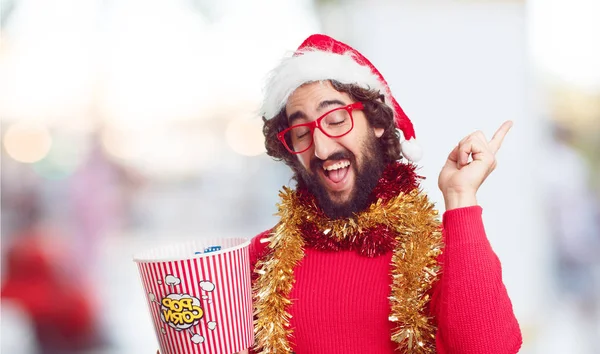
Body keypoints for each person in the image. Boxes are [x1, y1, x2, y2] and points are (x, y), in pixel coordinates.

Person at [248, 34, 522, 353]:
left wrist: (461, 198)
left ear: (377, 121)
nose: (321, 149)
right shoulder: (263, 257)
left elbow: (487, 348)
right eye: (300, 133)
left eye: (336, 120)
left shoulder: (437, 249)